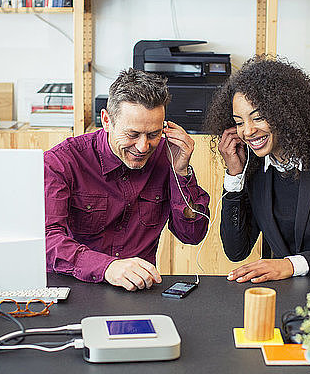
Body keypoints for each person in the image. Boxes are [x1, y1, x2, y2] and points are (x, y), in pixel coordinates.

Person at [203, 56, 310, 284]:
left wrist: (291, 264)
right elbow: (237, 251)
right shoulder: (254, 168)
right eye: (239, 122)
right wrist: (234, 177)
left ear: (286, 113)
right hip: (284, 294)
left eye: (259, 118)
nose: (248, 131)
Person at [44, 68, 210, 291]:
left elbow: (192, 234)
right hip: (74, 288)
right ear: (106, 121)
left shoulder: (167, 155)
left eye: (153, 134)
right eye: (132, 135)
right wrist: (107, 267)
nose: (143, 147)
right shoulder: (62, 162)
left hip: (139, 292)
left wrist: (181, 172)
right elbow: (46, 240)